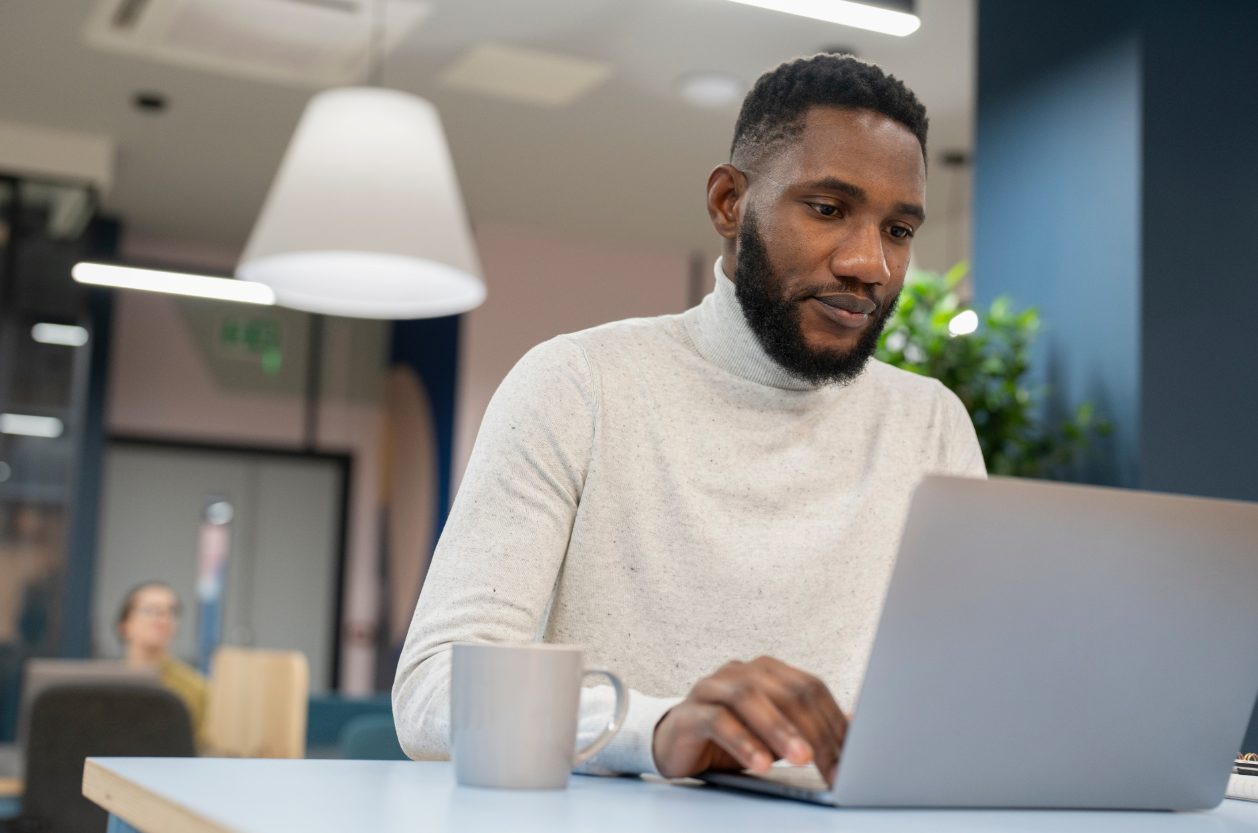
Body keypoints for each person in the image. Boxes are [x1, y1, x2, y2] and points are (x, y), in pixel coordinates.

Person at [393, 53, 985, 783]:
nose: (871, 264)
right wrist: (657, 729)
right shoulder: (577, 386)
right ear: (729, 203)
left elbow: (973, 698)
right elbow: (431, 690)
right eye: (829, 210)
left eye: (898, 229)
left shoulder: (932, 424)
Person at [116, 582, 207, 746]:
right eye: (150, 610)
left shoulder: (197, 688)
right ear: (125, 625)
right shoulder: (106, 684)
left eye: (170, 612)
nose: (162, 620)